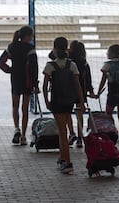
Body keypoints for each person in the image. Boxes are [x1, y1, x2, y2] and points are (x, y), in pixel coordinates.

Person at [43, 37, 85, 174]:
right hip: (69, 101)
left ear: (54, 49)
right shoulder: (72, 65)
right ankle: (62, 158)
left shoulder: (50, 66)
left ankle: (67, 162)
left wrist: (46, 101)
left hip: (56, 102)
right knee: (65, 129)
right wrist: (81, 101)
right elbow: (77, 85)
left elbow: (44, 87)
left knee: (62, 133)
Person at [7, 25, 39, 145]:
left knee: (15, 106)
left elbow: (1, 62)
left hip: (15, 79)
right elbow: (34, 68)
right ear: (28, 36)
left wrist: (9, 70)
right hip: (27, 81)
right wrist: (35, 84)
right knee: (24, 109)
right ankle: (24, 136)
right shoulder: (30, 49)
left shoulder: (12, 47)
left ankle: (16, 129)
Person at [96, 44, 119, 145]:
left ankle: (112, 133)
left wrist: (98, 92)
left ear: (113, 53)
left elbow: (103, 80)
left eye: (108, 51)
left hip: (113, 93)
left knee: (108, 114)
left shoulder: (107, 65)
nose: (107, 53)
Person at [67, 40, 95, 148]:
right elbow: (88, 78)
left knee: (67, 112)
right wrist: (91, 91)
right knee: (80, 114)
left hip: (68, 89)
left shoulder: (69, 61)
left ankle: (71, 132)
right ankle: (79, 137)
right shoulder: (84, 62)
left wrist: (66, 51)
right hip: (81, 90)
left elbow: (51, 55)